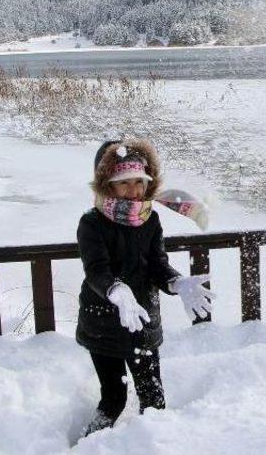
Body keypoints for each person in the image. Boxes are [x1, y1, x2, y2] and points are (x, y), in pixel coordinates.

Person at [76, 138, 214, 436]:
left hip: (143, 323)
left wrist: (177, 282)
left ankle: (152, 445)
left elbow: (157, 265)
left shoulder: (151, 220)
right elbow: (96, 270)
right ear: (107, 185)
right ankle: (89, 446)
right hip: (104, 324)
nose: (134, 190)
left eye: (139, 181)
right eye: (124, 182)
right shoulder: (92, 223)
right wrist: (117, 291)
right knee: (114, 398)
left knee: (154, 400)